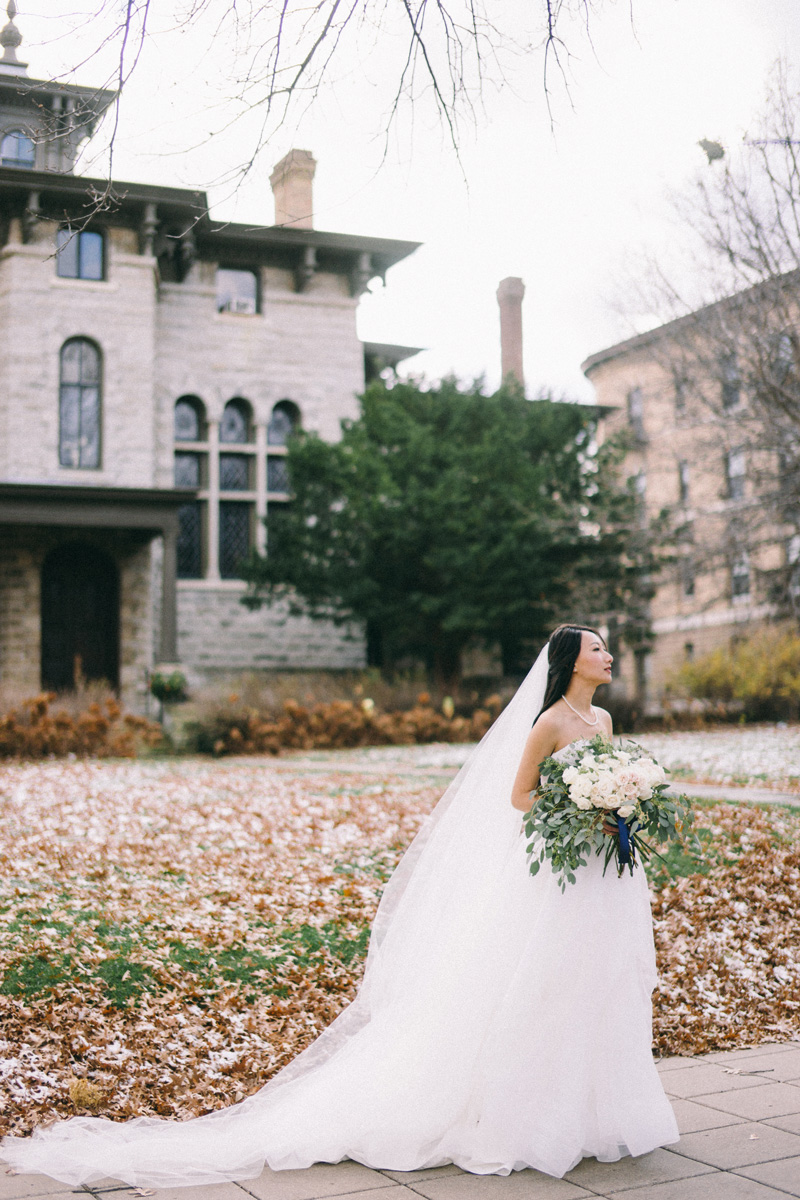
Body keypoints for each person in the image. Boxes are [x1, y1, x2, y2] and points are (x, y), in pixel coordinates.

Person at [1, 623, 678, 1189]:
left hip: (602, 871)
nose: (609, 655)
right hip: (563, 870)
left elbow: (608, 778)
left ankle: (593, 1110)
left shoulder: (605, 719)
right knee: (543, 985)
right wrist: (579, 808)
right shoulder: (549, 723)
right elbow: (520, 797)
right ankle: (529, 1112)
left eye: (608, 649)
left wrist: (618, 805)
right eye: (598, 648)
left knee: (596, 981)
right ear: (571, 662)